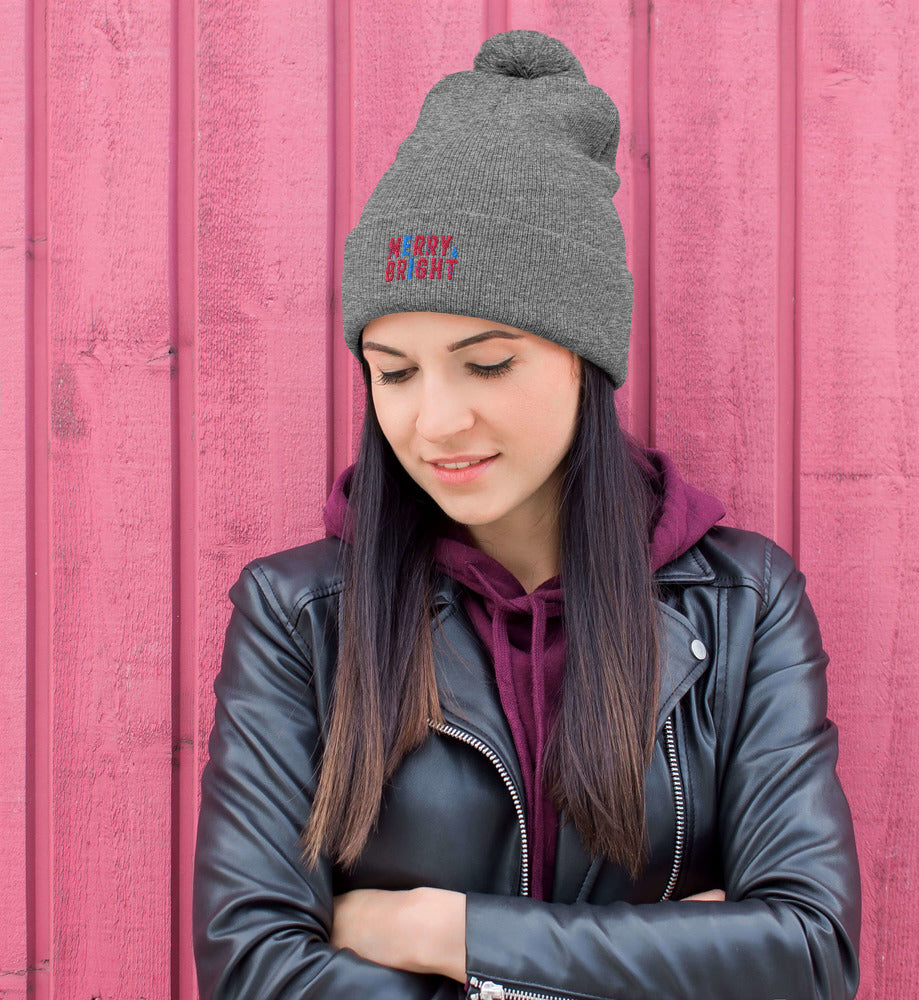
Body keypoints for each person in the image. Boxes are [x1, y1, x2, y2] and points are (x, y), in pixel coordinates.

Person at [193, 29, 861, 1000]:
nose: (435, 419)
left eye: (487, 362)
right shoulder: (301, 616)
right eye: (394, 372)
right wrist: (667, 952)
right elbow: (255, 969)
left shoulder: (740, 601)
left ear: (582, 358)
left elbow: (806, 954)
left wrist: (438, 927)